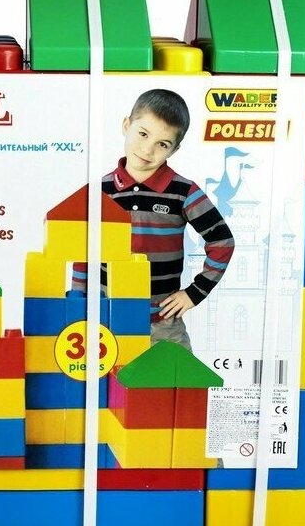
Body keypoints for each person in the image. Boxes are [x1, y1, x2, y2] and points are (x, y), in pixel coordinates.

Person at [72, 89, 234, 351]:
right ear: (127, 125)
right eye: (143, 134)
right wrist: (78, 305)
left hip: (162, 322)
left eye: (163, 144)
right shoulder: (99, 191)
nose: (148, 149)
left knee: (175, 375)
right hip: (105, 319)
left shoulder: (184, 191)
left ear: (175, 149)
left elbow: (222, 241)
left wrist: (194, 293)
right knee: (108, 378)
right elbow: (81, 249)